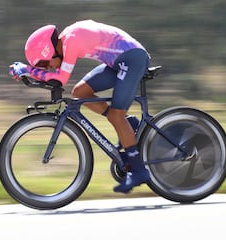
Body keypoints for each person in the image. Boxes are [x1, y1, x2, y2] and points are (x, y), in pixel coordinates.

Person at [9, 20, 150, 193]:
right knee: (80, 91)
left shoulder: (71, 41)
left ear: (50, 51)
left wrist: (27, 70)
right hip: (117, 62)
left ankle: (138, 170)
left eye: (44, 64)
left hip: (132, 59)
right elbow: (58, 77)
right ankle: (129, 124)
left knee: (116, 115)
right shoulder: (68, 39)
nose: (48, 68)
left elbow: (60, 79)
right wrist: (29, 69)